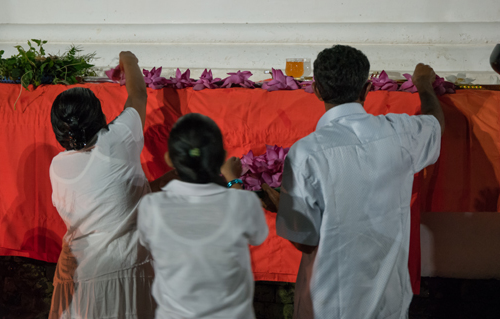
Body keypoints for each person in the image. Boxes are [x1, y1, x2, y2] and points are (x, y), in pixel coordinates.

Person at [263, 45, 444, 319]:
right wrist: (422, 84)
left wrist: (282, 207)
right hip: (388, 306)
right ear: (366, 88)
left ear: (318, 89)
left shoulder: (306, 153)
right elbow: (435, 124)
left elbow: (304, 240)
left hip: (329, 306)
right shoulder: (400, 134)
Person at [48, 51, 172, 319]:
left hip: (77, 273)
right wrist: (129, 59)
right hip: (121, 270)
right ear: (99, 116)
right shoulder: (116, 140)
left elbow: (113, 198)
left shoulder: (57, 167)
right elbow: (138, 94)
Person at [137, 113, 269, 319]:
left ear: (169, 159)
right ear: (221, 157)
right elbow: (258, 235)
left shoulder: (151, 207)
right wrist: (233, 180)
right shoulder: (243, 202)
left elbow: (147, 241)